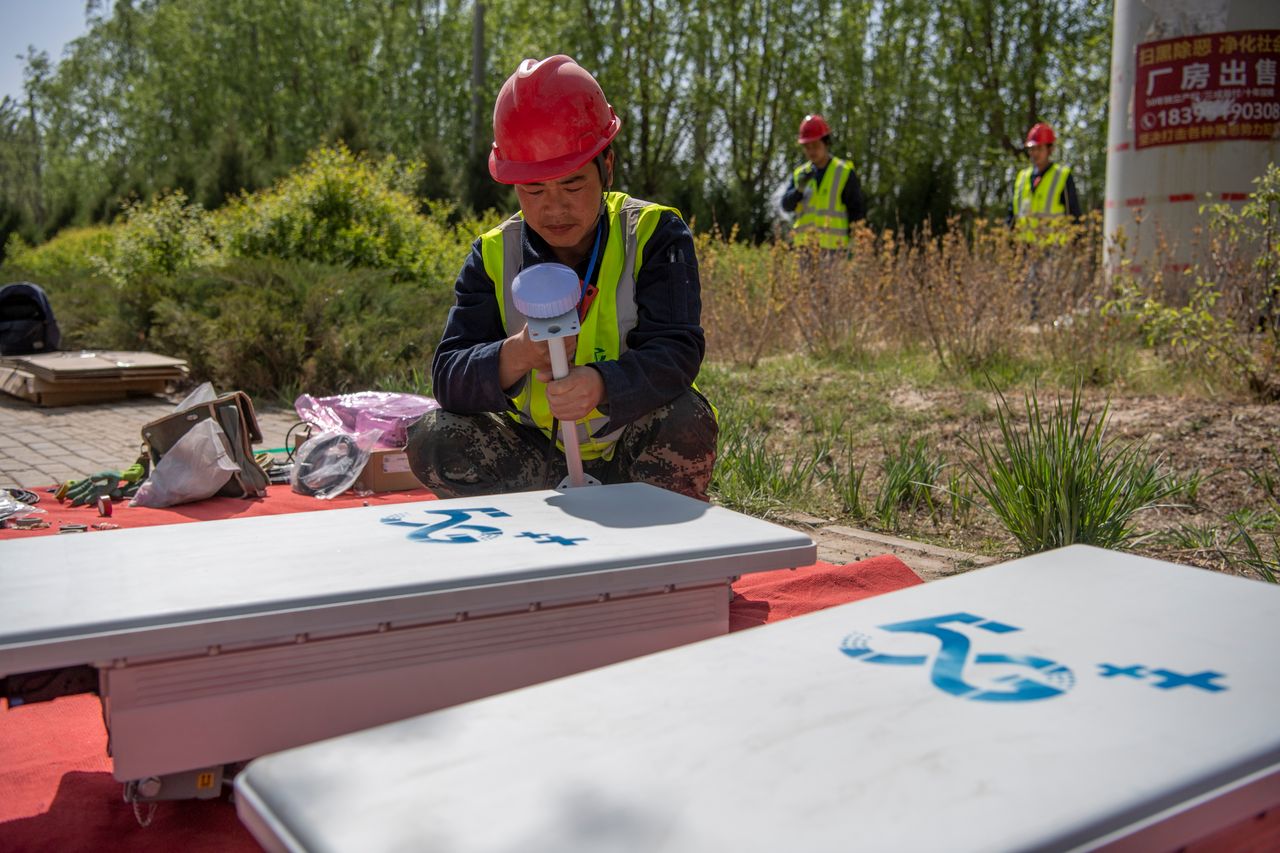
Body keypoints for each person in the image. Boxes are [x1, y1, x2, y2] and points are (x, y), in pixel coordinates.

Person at [406, 55, 717, 501]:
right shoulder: (494, 252)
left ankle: (650, 548)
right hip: (536, 460)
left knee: (686, 418)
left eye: (572, 186)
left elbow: (678, 351)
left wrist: (602, 384)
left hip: (627, 452)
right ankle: (526, 550)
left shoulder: (654, 234)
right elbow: (448, 376)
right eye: (534, 190)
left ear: (606, 166)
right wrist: (515, 355)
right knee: (434, 437)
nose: (554, 209)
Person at [780, 113, 865, 249]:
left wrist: (855, 245)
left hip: (834, 249)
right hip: (804, 248)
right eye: (807, 147)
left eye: (815, 145)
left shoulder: (843, 172)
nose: (811, 151)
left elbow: (856, 211)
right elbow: (786, 206)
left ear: (826, 143)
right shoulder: (800, 174)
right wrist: (798, 191)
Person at [1009, 122, 1082, 243]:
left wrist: (1075, 243)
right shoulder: (1022, 177)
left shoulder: (1062, 176)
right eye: (1032, 149)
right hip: (1024, 247)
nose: (1035, 153)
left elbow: (1073, 214)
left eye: (1039, 148)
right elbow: (1012, 214)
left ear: (1050, 149)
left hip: (1053, 247)